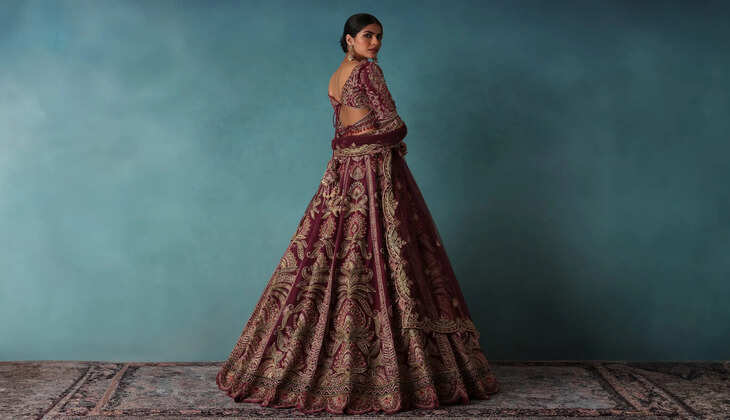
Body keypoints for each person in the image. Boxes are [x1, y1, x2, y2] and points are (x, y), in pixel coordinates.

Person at [216, 13, 499, 415]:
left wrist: (356, 143)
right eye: (368, 36)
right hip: (375, 173)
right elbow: (394, 124)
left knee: (333, 253)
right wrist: (395, 136)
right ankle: (390, 371)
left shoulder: (335, 77)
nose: (375, 43)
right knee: (384, 254)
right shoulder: (368, 72)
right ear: (349, 39)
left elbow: (345, 132)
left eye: (379, 37)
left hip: (344, 173)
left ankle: (313, 362)